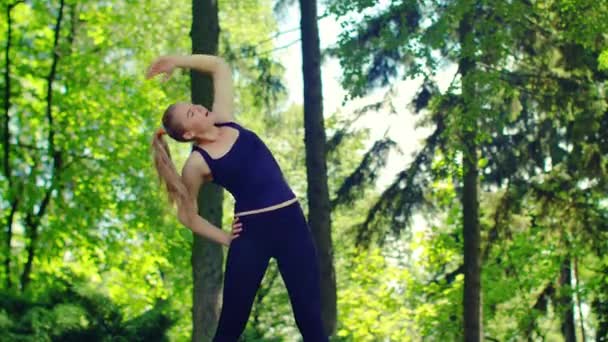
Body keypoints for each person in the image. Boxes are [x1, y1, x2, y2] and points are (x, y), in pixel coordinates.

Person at [146, 54, 328, 342]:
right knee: (231, 323)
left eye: (193, 105)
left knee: (309, 316)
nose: (198, 107)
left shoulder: (226, 120)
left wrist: (177, 61)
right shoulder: (197, 164)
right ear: (190, 133)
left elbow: (219, 67)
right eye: (191, 113)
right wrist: (225, 237)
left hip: (292, 224)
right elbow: (186, 214)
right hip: (252, 235)